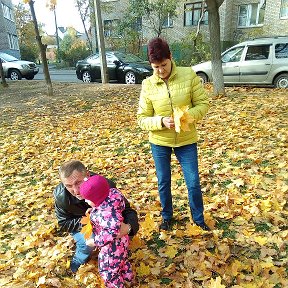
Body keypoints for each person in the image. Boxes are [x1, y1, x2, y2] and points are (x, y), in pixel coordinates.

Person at [137, 37, 210, 231]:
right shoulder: (148, 85)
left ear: (170, 57)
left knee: (193, 181)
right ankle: (167, 217)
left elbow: (203, 104)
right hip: (160, 141)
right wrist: (161, 121)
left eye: (163, 65)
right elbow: (142, 118)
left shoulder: (188, 74)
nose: (160, 70)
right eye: (155, 67)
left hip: (186, 140)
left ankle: (198, 218)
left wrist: (186, 117)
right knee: (163, 181)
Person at [53, 160, 139, 273]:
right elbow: (63, 222)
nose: (75, 191)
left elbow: (127, 210)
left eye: (78, 182)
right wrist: (90, 221)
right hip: (83, 224)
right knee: (86, 244)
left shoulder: (104, 185)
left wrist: (128, 228)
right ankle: (79, 259)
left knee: (121, 239)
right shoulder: (61, 197)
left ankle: (121, 260)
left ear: (87, 175)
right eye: (68, 186)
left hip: (109, 222)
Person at [80, 175, 134, 288]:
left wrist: (95, 241)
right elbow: (112, 207)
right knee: (122, 260)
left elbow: (111, 232)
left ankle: (116, 285)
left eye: (88, 199)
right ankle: (128, 278)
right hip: (122, 242)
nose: (85, 201)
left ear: (96, 199)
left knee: (109, 270)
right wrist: (95, 210)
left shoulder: (106, 215)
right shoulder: (113, 194)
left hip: (111, 247)